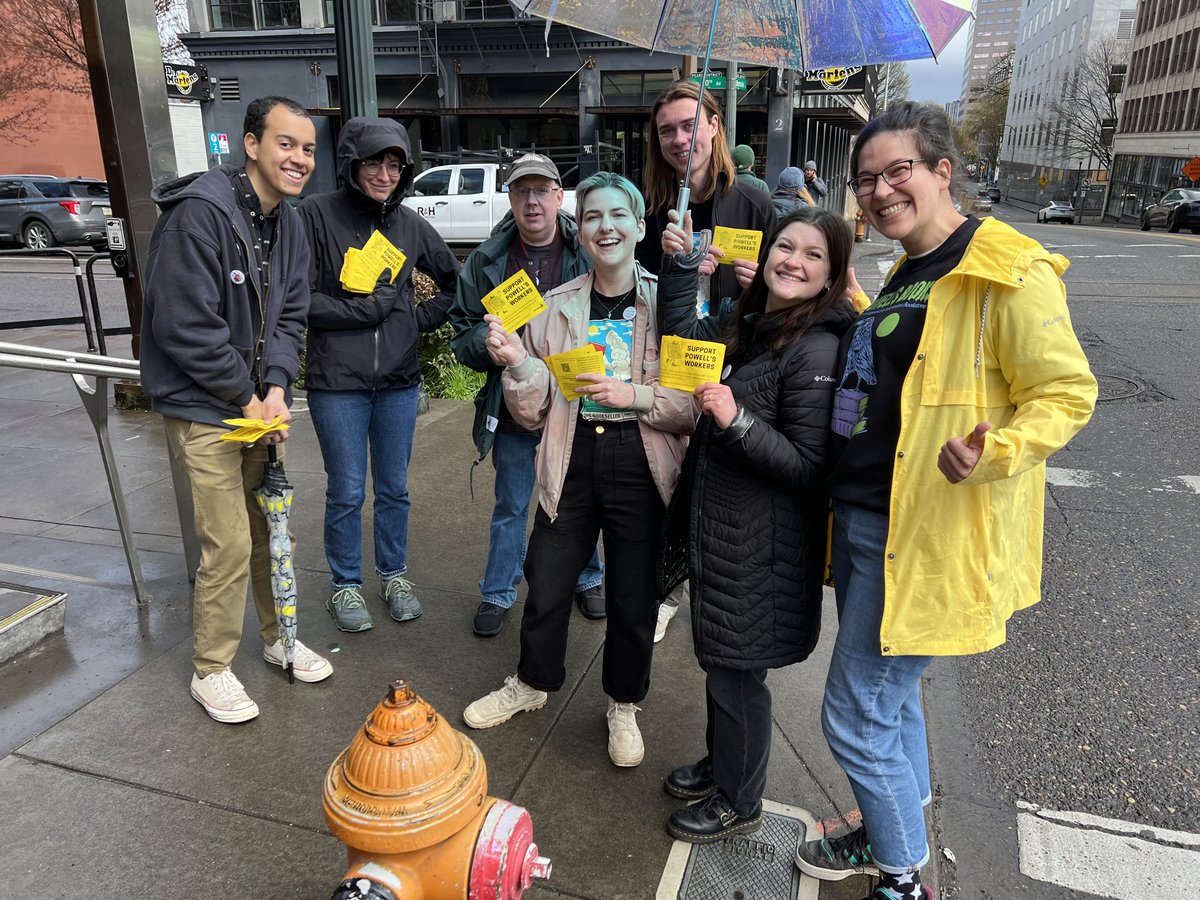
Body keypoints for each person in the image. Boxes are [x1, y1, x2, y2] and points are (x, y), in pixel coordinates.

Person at [793, 102, 1097, 900]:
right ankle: (894, 824)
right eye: (867, 180)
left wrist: (994, 451)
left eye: (898, 171)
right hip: (865, 521)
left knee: (855, 714)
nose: (881, 190)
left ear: (940, 172)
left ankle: (901, 878)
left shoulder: (1005, 268)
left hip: (923, 533)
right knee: (891, 708)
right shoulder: (906, 268)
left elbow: (1065, 392)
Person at [462, 173, 693, 767]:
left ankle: (623, 704)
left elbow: (690, 405)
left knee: (633, 596)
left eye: (619, 215)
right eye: (593, 217)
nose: (605, 227)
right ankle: (532, 683)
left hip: (641, 462)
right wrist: (517, 364)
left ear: (641, 227)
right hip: (572, 456)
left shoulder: (669, 302)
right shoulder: (557, 306)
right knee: (547, 581)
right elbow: (536, 407)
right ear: (580, 229)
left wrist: (632, 395)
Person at [656, 206, 856, 842]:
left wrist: (734, 418)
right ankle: (723, 765)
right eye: (785, 247)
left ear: (831, 274)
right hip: (730, 535)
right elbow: (681, 333)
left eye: (812, 255)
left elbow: (806, 466)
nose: (792, 261)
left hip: (762, 546)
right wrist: (683, 267)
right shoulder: (761, 324)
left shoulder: (815, 347)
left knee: (739, 675)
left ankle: (739, 801)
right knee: (722, 662)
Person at [141, 95, 332, 724]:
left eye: (306, 148)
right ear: (251, 144)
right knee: (225, 542)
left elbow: (291, 314)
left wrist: (277, 386)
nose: (299, 158)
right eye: (285, 143)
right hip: (206, 406)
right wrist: (248, 397)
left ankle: (280, 638)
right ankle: (212, 668)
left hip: (257, 404)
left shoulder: (291, 221)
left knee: (272, 529)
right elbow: (185, 326)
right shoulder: (200, 214)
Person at [297, 117, 460, 634]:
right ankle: (345, 584)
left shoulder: (409, 225)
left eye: (394, 165)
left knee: (393, 488)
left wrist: (416, 320)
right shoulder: (314, 215)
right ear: (351, 163)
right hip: (337, 383)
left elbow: (454, 280)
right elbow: (298, 299)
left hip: (397, 383)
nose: (385, 174)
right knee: (346, 490)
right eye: (374, 162)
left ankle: (394, 576)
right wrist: (362, 313)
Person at [636, 78, 777, 641]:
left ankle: (693, 579)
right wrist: (663, 260)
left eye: (689, 125)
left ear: (714, 126)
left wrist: (757, 281)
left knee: (714, 480)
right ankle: (668, 576)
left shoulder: (752, 201)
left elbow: (787, 284)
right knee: (667, 474)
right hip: (668, 359)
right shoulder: (651, 206)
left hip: (732, 362)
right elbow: (635, 286)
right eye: (667, 129)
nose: (678, 138)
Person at [448, 153, 606, 637]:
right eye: (521, 191)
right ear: (511, 199)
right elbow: (462, 331)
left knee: (577, 497)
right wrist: (487, 347)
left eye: (541, 191)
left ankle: (588, 576)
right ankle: (499, 589)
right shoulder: (487, 260)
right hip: (514, 406)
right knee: (512, 502)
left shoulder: (588, 248)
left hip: (574, 400)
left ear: (560, 197)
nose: (532, 201)